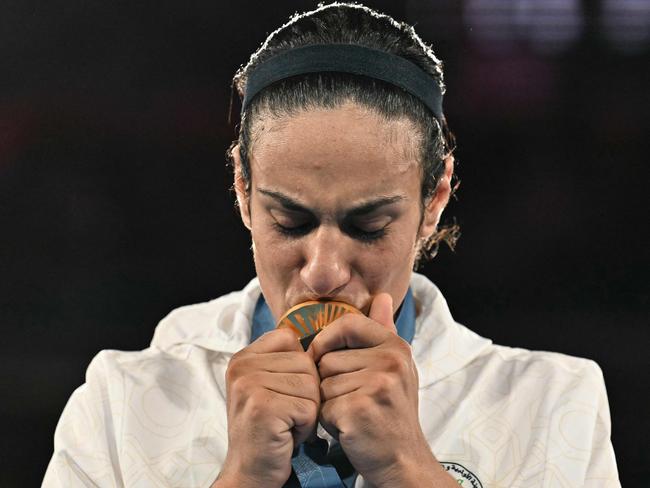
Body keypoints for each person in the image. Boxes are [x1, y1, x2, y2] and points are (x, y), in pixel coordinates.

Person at [43, 3, 620, 487]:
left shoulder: (552, 403)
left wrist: (407, 467)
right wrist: (241, 477)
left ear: (435, 198)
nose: (322, 271)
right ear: (243, 189)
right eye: (289, 221)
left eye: (369, 227)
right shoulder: (121, 403)